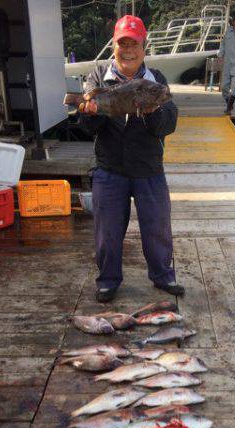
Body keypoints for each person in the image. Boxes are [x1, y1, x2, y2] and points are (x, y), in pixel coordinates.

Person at [76, 15, 184, 303]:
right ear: (114, 45)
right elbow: (86, 128)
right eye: (122, 43)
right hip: (110, 168)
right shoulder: (98, 77)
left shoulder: (156, 81)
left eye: (133, 44)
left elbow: (168, 124)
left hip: (149, 169)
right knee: (107, 231)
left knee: (157, 227)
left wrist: (152, 112)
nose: (128, 50)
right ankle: (108, 281)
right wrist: (91, 111)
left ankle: (163, 276)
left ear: (143, 46)